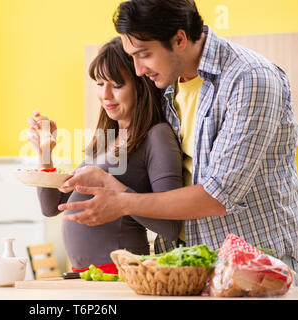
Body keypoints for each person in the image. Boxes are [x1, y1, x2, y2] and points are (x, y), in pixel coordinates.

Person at [59, 0, 298, 272]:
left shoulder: (250, 79)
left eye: (144, 54)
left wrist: (121, 202)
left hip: (253, 266)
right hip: (185, 264)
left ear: (180, 39)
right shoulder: (165, 83)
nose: (138, 69)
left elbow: (219, 195)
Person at [26, 36, 184, 273]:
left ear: (141, 86)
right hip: (85, 275)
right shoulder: (106, 138)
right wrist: (45, 154)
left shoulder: (157, 136)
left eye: (117, 85)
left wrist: (109, 183)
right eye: (100, 84)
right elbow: (52, 207)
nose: (105, 95)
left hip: (122, 272)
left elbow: (171, 225)